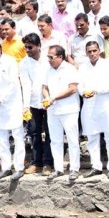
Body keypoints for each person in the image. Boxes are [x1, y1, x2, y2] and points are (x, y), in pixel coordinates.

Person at [78, 42, 109, 179]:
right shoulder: (82, 67)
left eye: (94, 51)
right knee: (92, 137)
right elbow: (79, 84)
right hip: (90, 105)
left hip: (106, 104)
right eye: (89, 51)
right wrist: (83, 92)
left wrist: (94, 90)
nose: (92, 54)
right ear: (86, 53)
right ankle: (96, 166)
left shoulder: (108, 64)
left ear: (99, 51)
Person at [0, 40, 26, 181]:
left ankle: (19, 167)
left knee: (17, 135)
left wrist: (0, 100)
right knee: (1, 137)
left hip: (12, 103)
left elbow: (13, 83)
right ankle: (6, 167)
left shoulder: (10, 61)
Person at [42, 45, 80, 182]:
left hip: (69, 109)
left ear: (60, 57)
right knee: (55, 140)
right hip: (53, 110)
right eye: (48, 57)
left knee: (72, 139)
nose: (49, 60)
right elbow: (44, 87)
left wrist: (54, 98)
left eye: (51, 57)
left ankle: (74, 169)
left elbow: (72, 89)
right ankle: (58, 168)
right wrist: (47, 97)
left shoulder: (69, 69)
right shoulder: (48, 70)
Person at [20, 33, 53, 175]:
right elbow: (25, 84)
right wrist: (26, 106)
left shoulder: (48, 60)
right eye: (25, 47)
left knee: (51, 132)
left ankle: (48, 163)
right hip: (33, 102)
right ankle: (37, 163)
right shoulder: (24, 63)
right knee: (34, 133)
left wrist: (51, 98)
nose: (27, 50)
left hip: (50, 101)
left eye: (30, 47)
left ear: (39, 46)